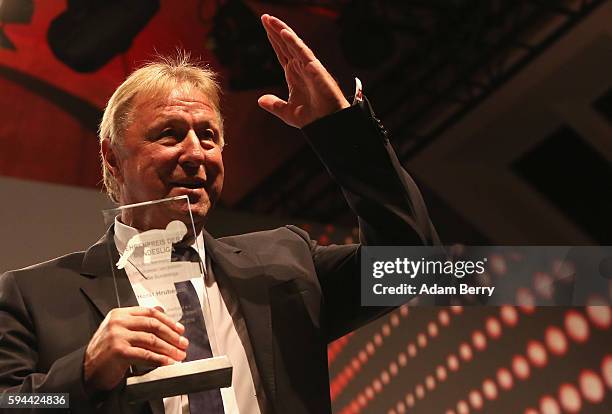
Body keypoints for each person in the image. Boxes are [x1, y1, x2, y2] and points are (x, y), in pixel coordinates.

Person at [0, 14, 438, 414]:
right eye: (169, 134)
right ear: (112, 158)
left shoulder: (284, 264)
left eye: (208, 137)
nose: (195, 153)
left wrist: (342, 130)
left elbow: (413, 265)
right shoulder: (32, 297)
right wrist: (85, 373)